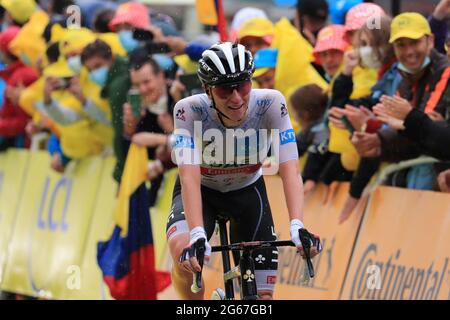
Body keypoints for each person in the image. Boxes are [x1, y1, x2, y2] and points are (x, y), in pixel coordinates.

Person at [167, 42, 321, 300]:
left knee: (262, 300)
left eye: (243, 85)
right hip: (202, 191)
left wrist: (297, 224)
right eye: (226, 89)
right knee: (184, 255)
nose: (236, 97)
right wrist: (196, 233)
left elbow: (290, 168)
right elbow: (189, 175)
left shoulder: (271, 103)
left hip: (247, 191)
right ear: (208, 90)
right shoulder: (189, 110)